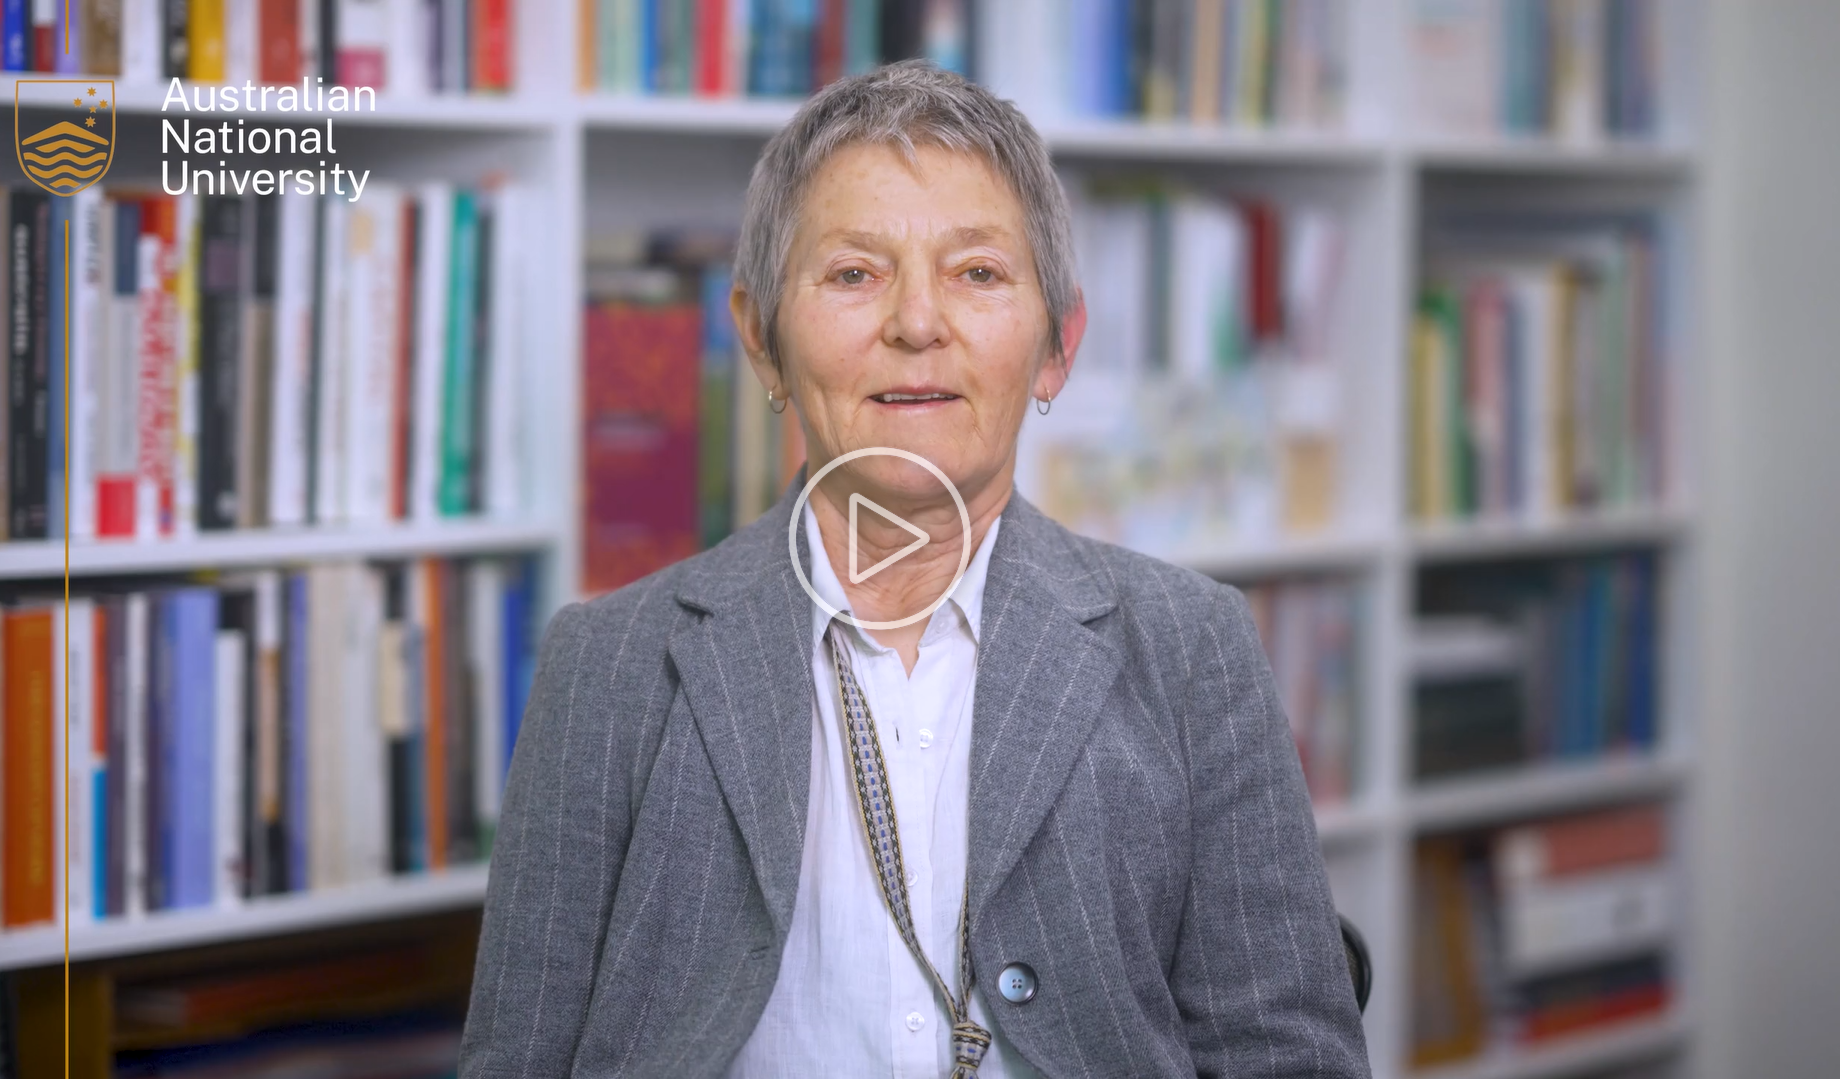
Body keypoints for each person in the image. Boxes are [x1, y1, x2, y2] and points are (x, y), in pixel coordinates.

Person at [459, 60, 1370, 1079]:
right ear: (759, 338)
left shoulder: (1190, 643)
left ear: (1056, 344)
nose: (916, 323)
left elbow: (1287, 1051)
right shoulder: (609, 662)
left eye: (977, 272)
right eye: (854, 273)